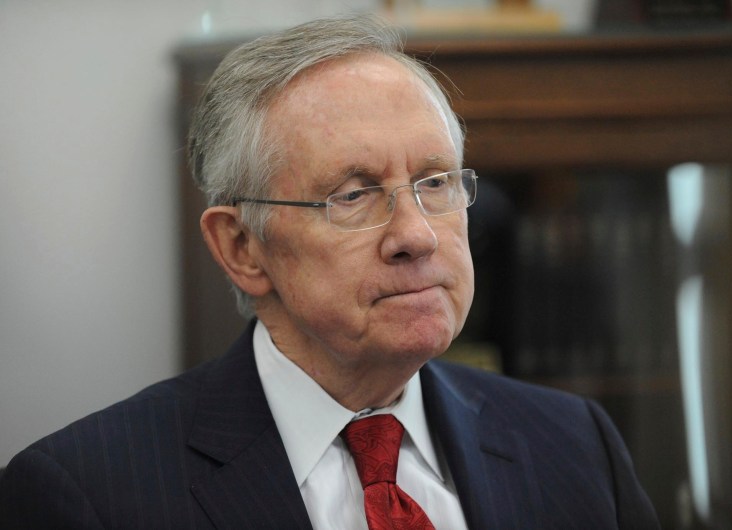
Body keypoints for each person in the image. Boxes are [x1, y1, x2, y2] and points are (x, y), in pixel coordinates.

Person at [0, 14, 659, 529]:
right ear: (242, 247)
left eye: (436, 182)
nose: (417, 235)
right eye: (353, 195)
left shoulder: (576, 445)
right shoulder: (88, 495)